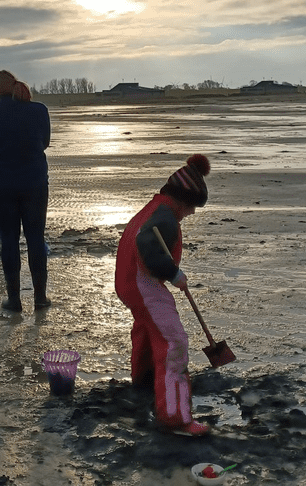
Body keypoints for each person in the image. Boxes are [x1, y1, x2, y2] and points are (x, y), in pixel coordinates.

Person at [115, 154, 212, 436]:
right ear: (181, 199)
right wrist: (173, 273)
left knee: (148, 330)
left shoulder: (155, 208)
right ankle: (175, 417)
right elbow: (147, 245)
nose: (191, 213)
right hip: (142, 283)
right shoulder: (165, 217)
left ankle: (144, 383)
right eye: (191, 206)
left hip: (128, 282)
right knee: (174, 342)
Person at [0, 70, 51, 312]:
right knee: (36, 238)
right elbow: (45, 142)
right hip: (34, 181)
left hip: (1, 182)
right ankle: (40, 298)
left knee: (9, 239)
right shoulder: (39, 110)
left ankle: (14, 300)